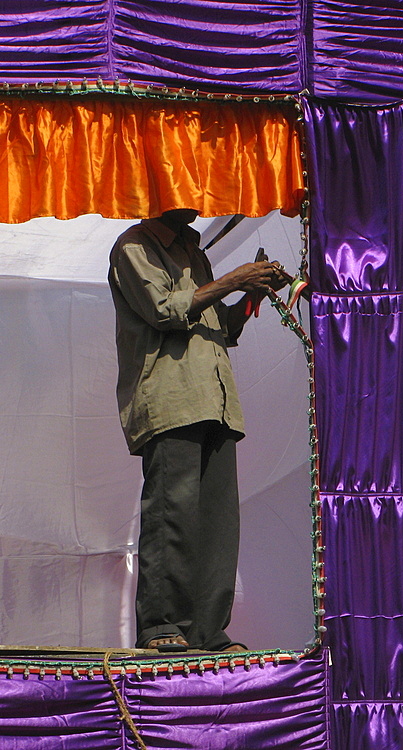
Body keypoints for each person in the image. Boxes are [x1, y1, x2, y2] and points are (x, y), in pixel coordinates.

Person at [109, 208, 289, 651]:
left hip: (216, 401)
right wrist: (233, 279)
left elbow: (222, 328)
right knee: (174, 515)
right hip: (172, 399)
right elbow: (165, 310)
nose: (198, 203)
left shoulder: (194, 250)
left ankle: (209, 632)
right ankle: (161, 626)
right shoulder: (133, 246)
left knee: (217, 524)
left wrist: (253, 295)